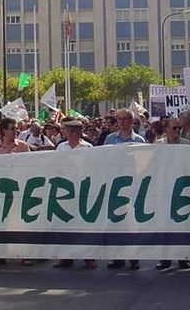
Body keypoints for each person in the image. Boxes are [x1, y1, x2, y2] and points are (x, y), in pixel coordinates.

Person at [103, 109, 146, 270]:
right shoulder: (110, 139)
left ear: (131, 121)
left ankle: (134, 257)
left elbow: (143, 163)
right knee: (116, 221)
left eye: (125, 119)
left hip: (133, 185)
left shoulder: (139, 140)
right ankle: (117, 257)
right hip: (114, 185)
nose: (121, 122)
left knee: (132, 223)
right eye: (119, 119)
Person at [53, 120, 97, 269]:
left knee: (84, 224)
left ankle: (88, 257)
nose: (63, 132)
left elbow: (92, 167)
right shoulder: (61, 147)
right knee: (65, 223)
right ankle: (66, 256)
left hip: (83, 189)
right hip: (65, 189)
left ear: (73, 132)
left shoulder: (88, 147)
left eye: (65, 129)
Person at [0, 119, 31, 267]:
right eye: (12, 128)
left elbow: (30, 166)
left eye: (16, 128)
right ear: (4, 130)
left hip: (19, 189)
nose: (15, 131)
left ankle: (25, 254)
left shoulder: (23, 146)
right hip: (1, 190)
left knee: (20, 223)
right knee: (0, 223)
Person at [154, 117, 190, 271]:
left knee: (182, 224)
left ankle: (183, 257)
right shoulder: (158, 145)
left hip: (182, 188)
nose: (177, 131)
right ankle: (165, 258)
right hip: (164, 188)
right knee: (164, 224)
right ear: (166, 130)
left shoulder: (187, 144)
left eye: (179, 128)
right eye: (174, 128)